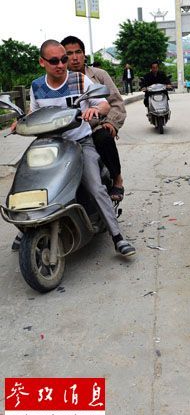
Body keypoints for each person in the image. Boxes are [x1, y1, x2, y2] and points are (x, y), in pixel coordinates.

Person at [11, 40, 136, 258]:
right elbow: (34, 113)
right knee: (26, 176)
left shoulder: (79, 79)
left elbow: (105, 103)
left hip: (80, 142)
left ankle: (117, 236)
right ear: (42, 62)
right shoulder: (37, 86)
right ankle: (27, 225)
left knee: (95, 186)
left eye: (63, 59)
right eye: (54, 61)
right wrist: (20, 122)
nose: (60, 64)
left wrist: (95, 109)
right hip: (48, 144)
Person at [61, 36, 126, 202]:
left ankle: (117, 179)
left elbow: (116, 102)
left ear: (84, 55)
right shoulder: (59, 80)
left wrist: (111, 123)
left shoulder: (99, 75)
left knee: (104, 137)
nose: (74, 57)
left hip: (95, 126)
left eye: (78, 52)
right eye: (69, 54)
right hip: (67, 131)